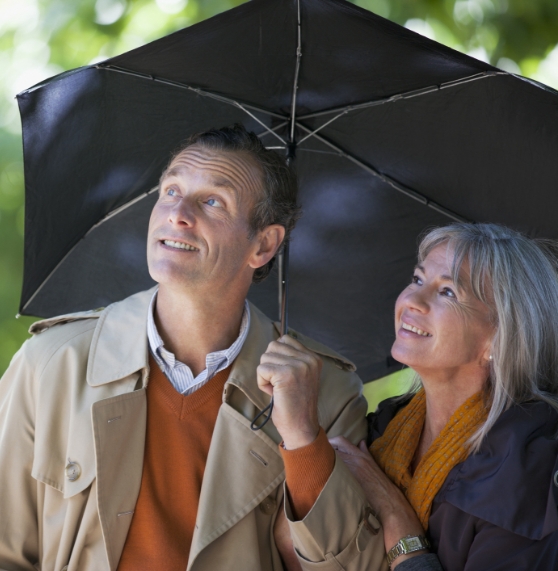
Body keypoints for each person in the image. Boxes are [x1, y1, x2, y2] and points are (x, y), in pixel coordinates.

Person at [0, 125, 386, 570]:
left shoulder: (328, 393)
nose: (177, 213)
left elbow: (352, 567)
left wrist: (302, 439)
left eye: (212, 201)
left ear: (263, 244)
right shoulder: (52, 363)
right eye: (170, 190)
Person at [330, 222, 558, 570]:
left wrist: (393, 513)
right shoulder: (384, 426)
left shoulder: (529, 471)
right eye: (418, 280)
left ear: (498, 338)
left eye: (448, 292)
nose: (412, 301)